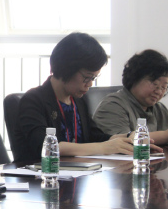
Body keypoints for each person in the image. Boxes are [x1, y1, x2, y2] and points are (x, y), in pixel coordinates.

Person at [14, 32, 134, 162]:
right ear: (67, 68)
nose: (90, 84)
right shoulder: (33, 100)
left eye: (93, 78)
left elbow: (95, 137)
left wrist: (125, 138)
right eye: (87, 77)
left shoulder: (78, 101)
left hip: (76, 170)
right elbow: (45, 146)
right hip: (41, 172)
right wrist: (103, 147)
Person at [93, 49, 168, 144]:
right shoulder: (112, 105)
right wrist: (165, 136)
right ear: (134, 78)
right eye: (155, 84)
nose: (159, 91)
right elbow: (121, 141)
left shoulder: (158, 109)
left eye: (164, 87)